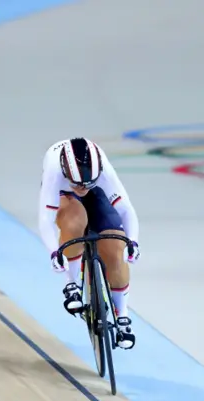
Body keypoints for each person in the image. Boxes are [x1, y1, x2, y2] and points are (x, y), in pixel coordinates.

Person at [37, 137, 140, 349]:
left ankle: (122, 314)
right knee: (75, 220)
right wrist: (54, 253)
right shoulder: (55, 169)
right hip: (64, 196)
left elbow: (126, 210)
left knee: (115, 247)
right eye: (77, 183)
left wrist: (133, 242)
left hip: (98, 192)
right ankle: (71, 284)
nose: (81, 187)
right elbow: (45, 219)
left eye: (86, 184)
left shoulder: (103, 171)